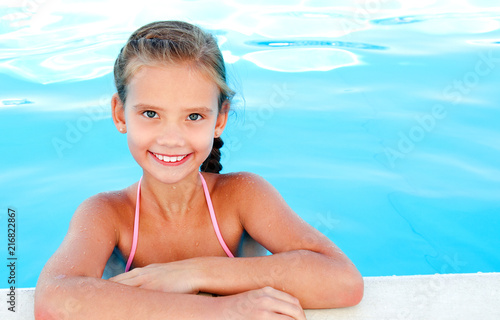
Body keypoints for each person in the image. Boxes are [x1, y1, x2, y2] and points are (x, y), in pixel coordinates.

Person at [35, 20, 363, 319]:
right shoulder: (107, 214)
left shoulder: (242, 197)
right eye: (150, 113)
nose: (172, 139)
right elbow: (53, 299)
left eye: (194, 117)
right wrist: (220, 310)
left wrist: (193, 272)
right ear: (120, 114)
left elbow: (342, 279)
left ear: (219, 119)